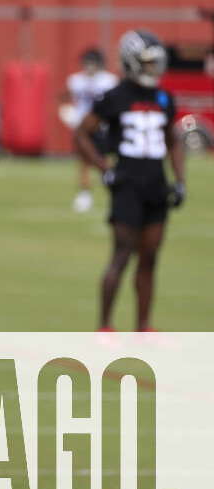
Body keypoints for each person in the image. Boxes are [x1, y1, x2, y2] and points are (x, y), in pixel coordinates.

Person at [76, 30, 185, 332]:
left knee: (150, 258)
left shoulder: (163, 97)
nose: (154, 69)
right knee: (121, 255)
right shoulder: (115, 96)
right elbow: (82, 133)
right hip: (127, 184)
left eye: (156, 63)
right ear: (131, 62)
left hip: (156, 184)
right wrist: (103, 167)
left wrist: (180, 180)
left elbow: (173, 141)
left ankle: (144, 327)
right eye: (148, 63)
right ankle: (105, 327)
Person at [64, 48, 118, 212]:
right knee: (84, 162)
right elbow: (66, 99)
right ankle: (84, 195)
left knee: (104, 162)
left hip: (102, 127)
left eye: (92, 63)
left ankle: (113, 193)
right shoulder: (75, 80)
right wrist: (68, 113)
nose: (89, 66)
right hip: (83, 129)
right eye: (87, 63)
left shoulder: (109, 81)